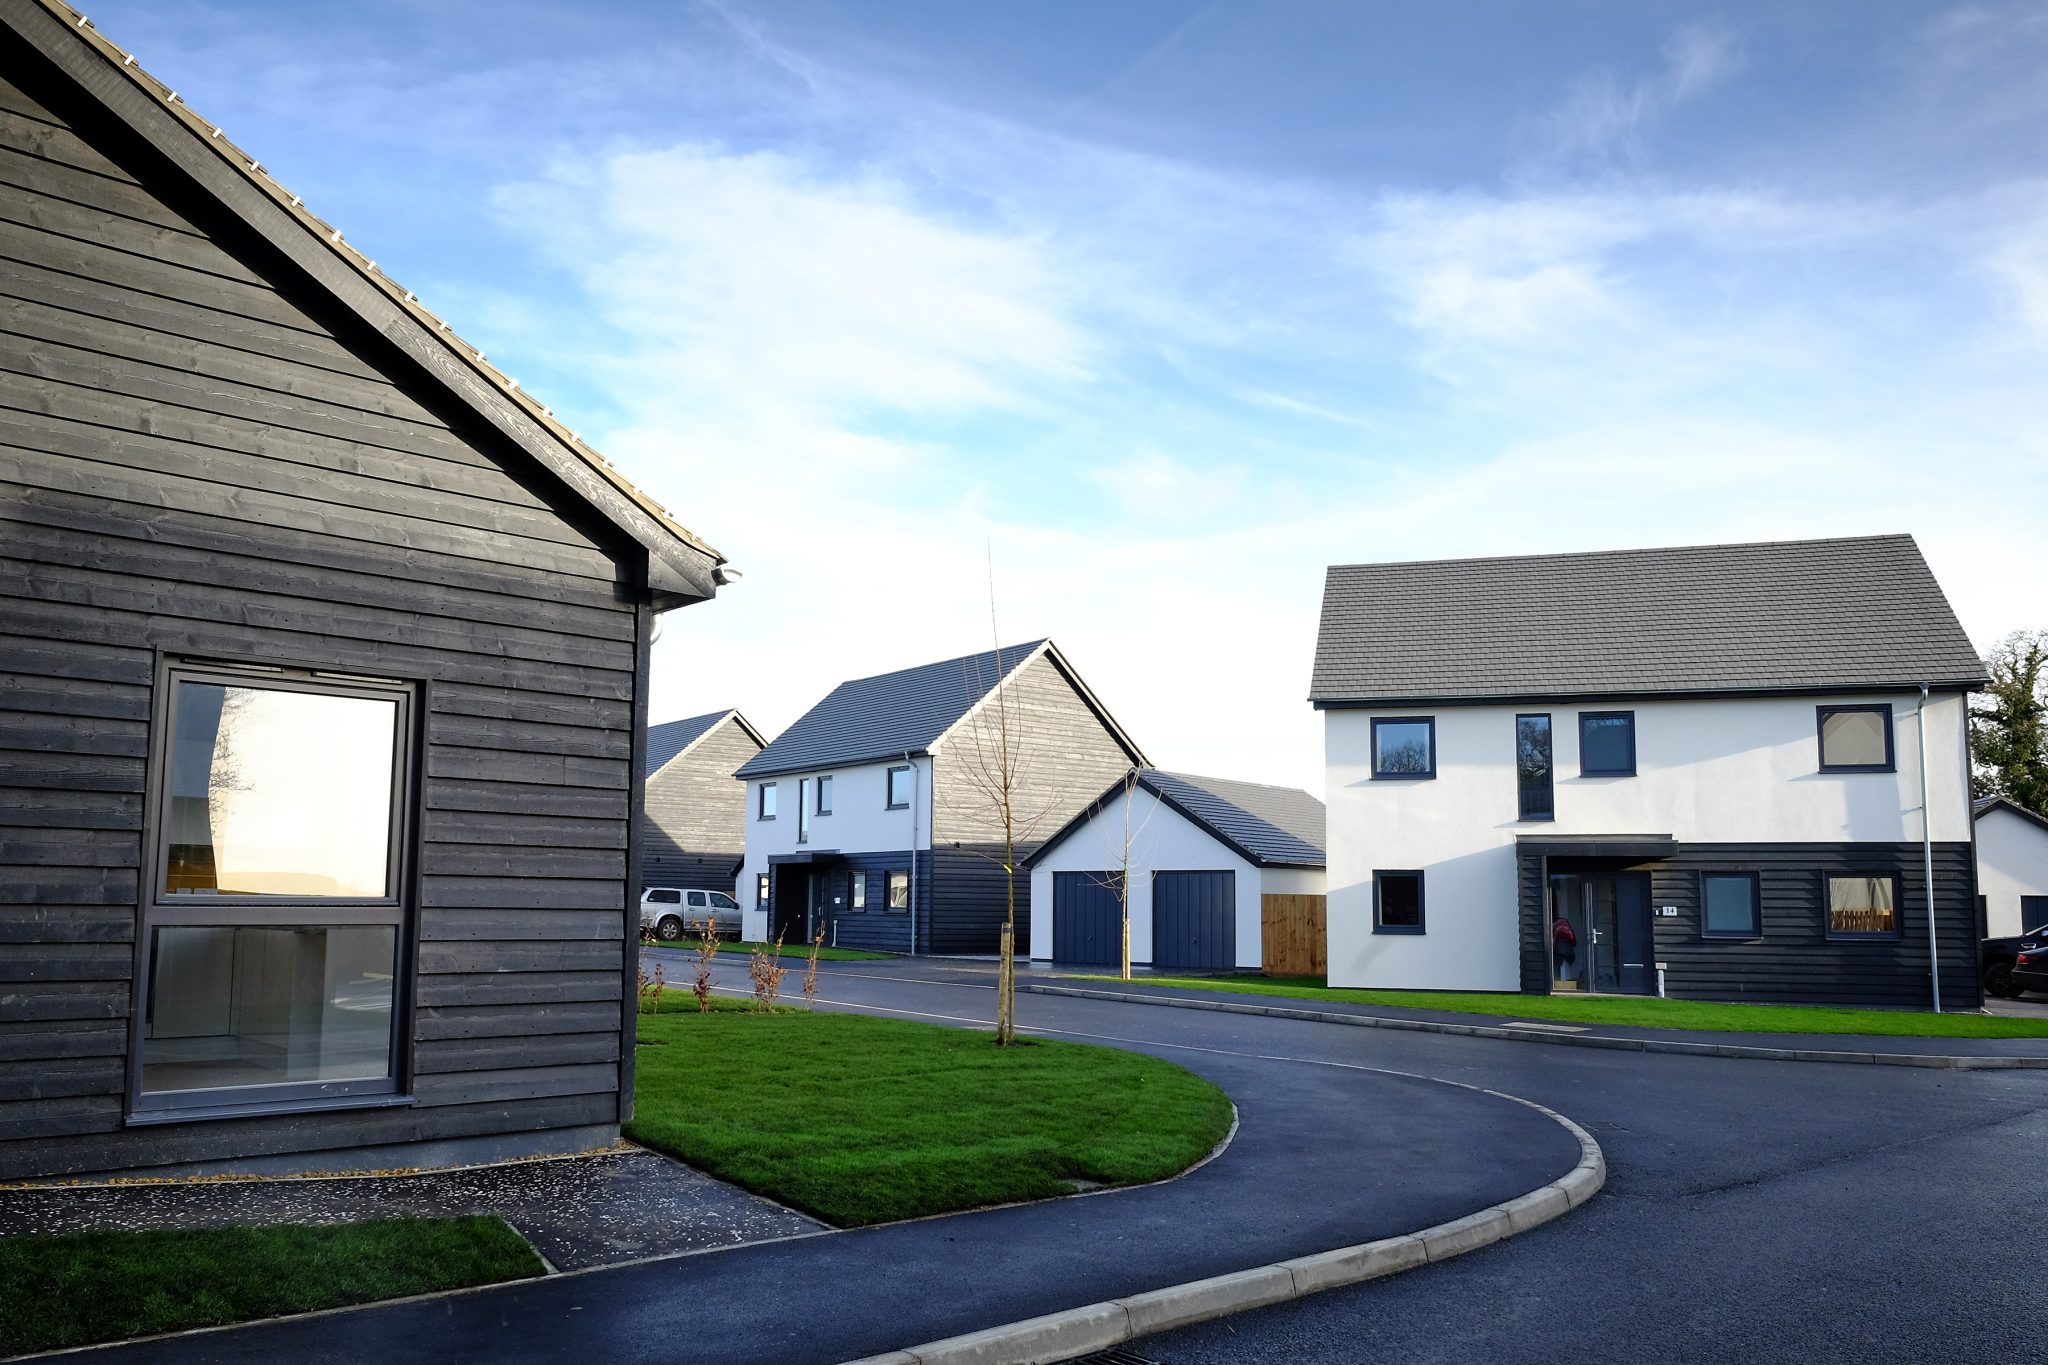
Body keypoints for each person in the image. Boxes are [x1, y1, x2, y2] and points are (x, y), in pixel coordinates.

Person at [1552, 913, 1578, 982]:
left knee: (1558, 963)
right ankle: (1563, 980)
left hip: (1561, 948)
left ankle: (1558, 980)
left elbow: (1554, 938)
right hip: (1568, 948)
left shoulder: (1556, 925)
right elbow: (1573, 939)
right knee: (1565, 963)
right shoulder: (1566, 924)